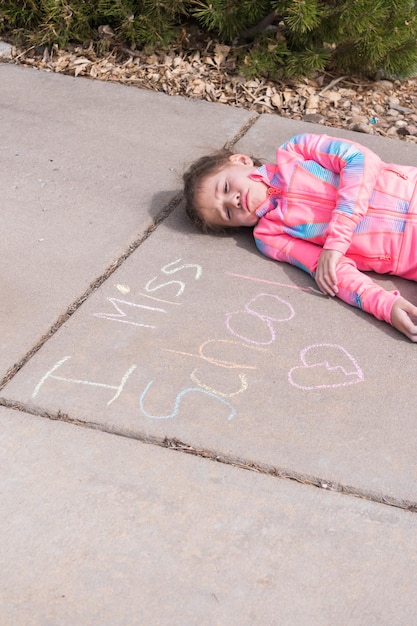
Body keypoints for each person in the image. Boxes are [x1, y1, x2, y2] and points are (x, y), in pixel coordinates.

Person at [183, 132, 417, 341]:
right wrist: (385, 305)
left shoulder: (296, 149)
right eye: (227, 213)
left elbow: (360, 160)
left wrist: (337, 239)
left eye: (224, 187)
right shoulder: (270, 235)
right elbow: (329, 273)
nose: (233, 201)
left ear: (241, 160)